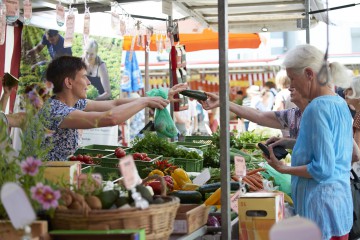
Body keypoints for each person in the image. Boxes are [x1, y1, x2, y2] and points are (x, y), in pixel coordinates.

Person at [265, 44, 353, 240]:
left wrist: (282, 168)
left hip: (319, 213)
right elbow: (332, 150)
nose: (292, 86)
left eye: (293, 79)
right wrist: (287, 142)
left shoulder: (316, 109)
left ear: (309, 74)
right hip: (338, 208)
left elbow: (323, 169)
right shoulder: (339, 103)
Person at [37, 56, 187, 161]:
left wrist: (158, 96)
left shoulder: (73, 103)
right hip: (49, 182)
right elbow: (110, 118)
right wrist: (146, 102)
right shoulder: (55, 111)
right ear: (69, 83)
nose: (89, 82)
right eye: (84, 77)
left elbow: (114, 104)